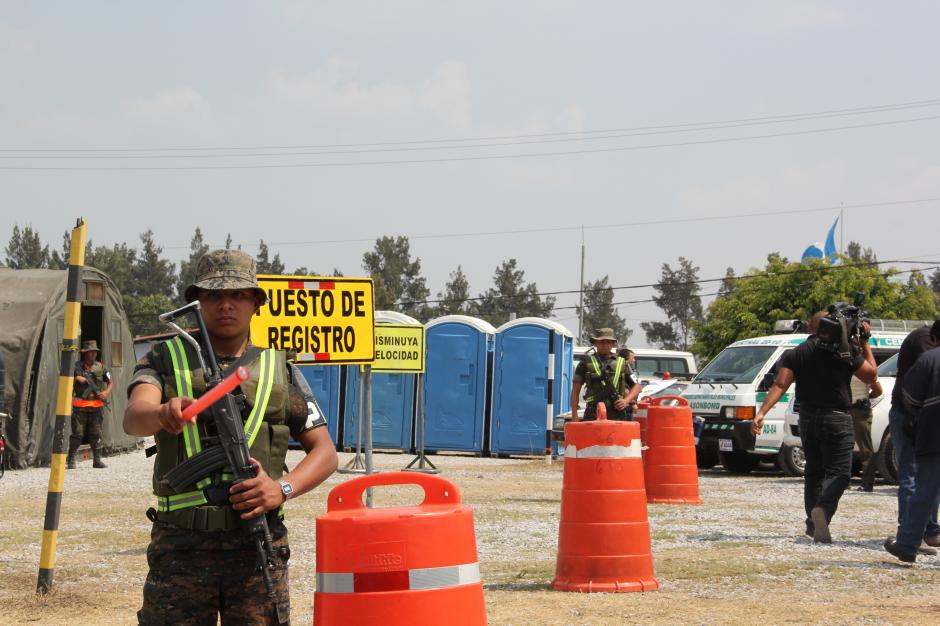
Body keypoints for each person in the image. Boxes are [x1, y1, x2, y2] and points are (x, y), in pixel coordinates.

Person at [124, 249, 338, 625]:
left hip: (256, 546)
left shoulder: (279, 369)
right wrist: (161, 413)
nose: (226, 305)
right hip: (180, 547)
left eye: (238, 295)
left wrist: (281, 489)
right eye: (213, 296)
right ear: (198, 302)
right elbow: (134, 418)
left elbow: (325, 452)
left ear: (255, 303)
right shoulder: (165, 359)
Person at [752, 309, 877, 543]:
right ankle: (823, 509)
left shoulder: (797, 353)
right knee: (840, 473)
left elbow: (780, 385)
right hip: (837, 418)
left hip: (807, 418)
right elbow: (871, 376)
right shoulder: (845, 352)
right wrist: (865, 343)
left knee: (814, 473)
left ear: (812, 327)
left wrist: (761, 413)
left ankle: (812, 524)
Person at [885, 320, 940, 555]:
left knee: (921, 489)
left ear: (935, 338)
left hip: (931, 434)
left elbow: (911, 395)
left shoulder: (929, 359)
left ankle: (907, 545)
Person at [571, 328, 641, 421]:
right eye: (601, 342)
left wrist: (626, 401)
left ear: (613, 344)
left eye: (608, 342)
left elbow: (637, 386)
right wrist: (574, 415)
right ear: (595, 343)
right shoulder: (585, 362)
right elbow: (575, 390)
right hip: (593, 412)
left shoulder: (622, 362)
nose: (604, 345)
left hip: (616, 412)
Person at [69, 340, 113, 469]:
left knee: (96, 434)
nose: (93, 354)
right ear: (85, 353)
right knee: (77, 434)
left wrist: (105, 393)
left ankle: (97, 460)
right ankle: (71, 459)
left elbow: (110, 382)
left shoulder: (101, 366)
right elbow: (64, 379)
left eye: (94, 352)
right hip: (80, 406)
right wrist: (76, 378)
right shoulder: (76, 367)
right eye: (90, 352)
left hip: (96, 407)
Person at [849, 374, 882, 492]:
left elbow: (878, 390)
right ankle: (843, 481)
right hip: (846, 408)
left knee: (864, 447)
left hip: (859, 409)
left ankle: (867, 482)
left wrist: (866, 397)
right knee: (845, 446)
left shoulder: (865, 368)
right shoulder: (844, 364)